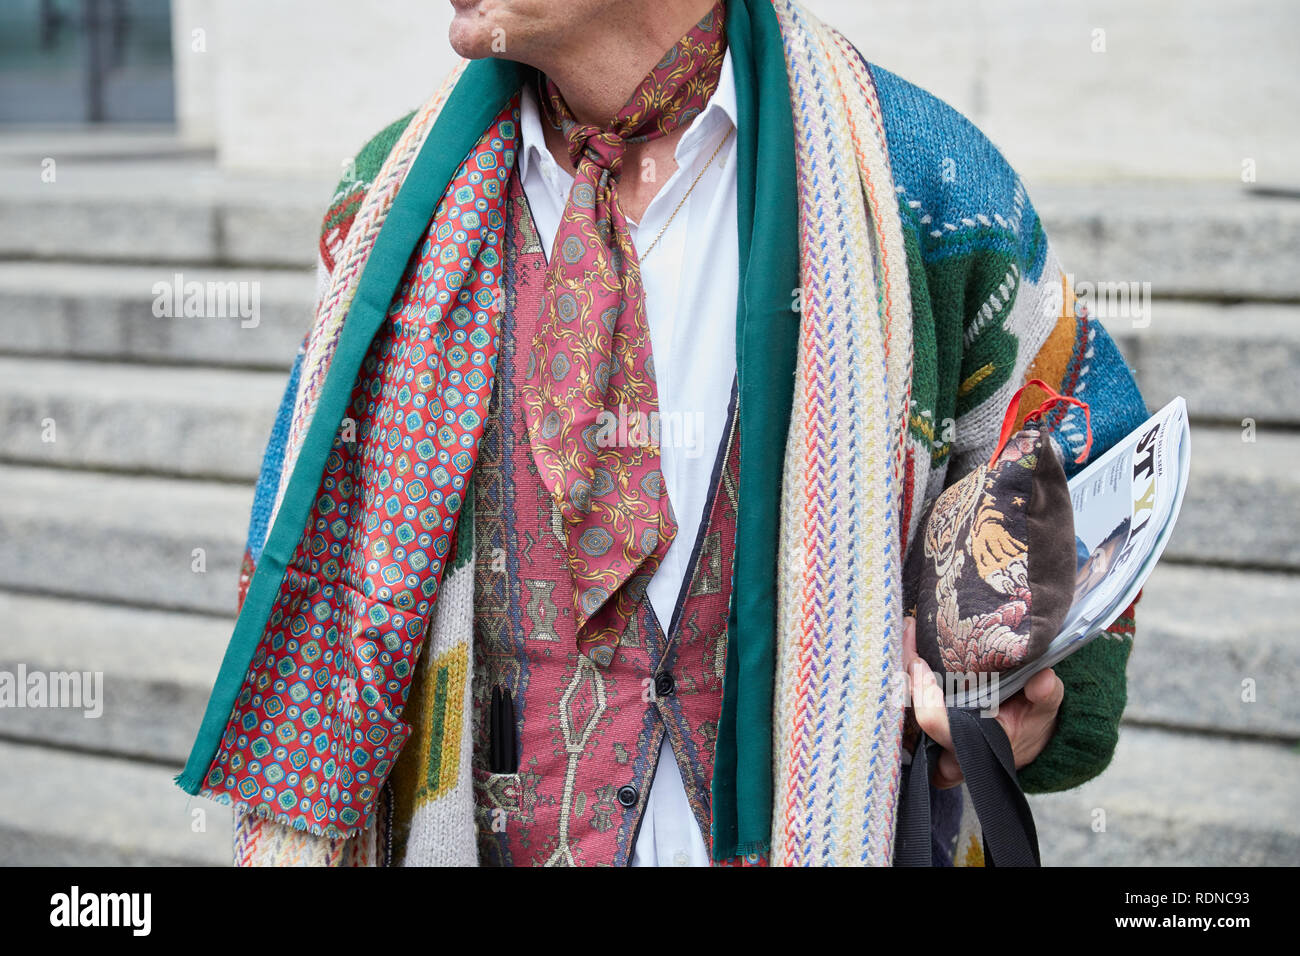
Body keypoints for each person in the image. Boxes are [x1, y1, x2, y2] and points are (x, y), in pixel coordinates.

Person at [175, 0, 1149, 867]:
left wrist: (1019, 684)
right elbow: (300, 525)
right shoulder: (391, 199)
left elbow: (1072, 454)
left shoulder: (920, 178)